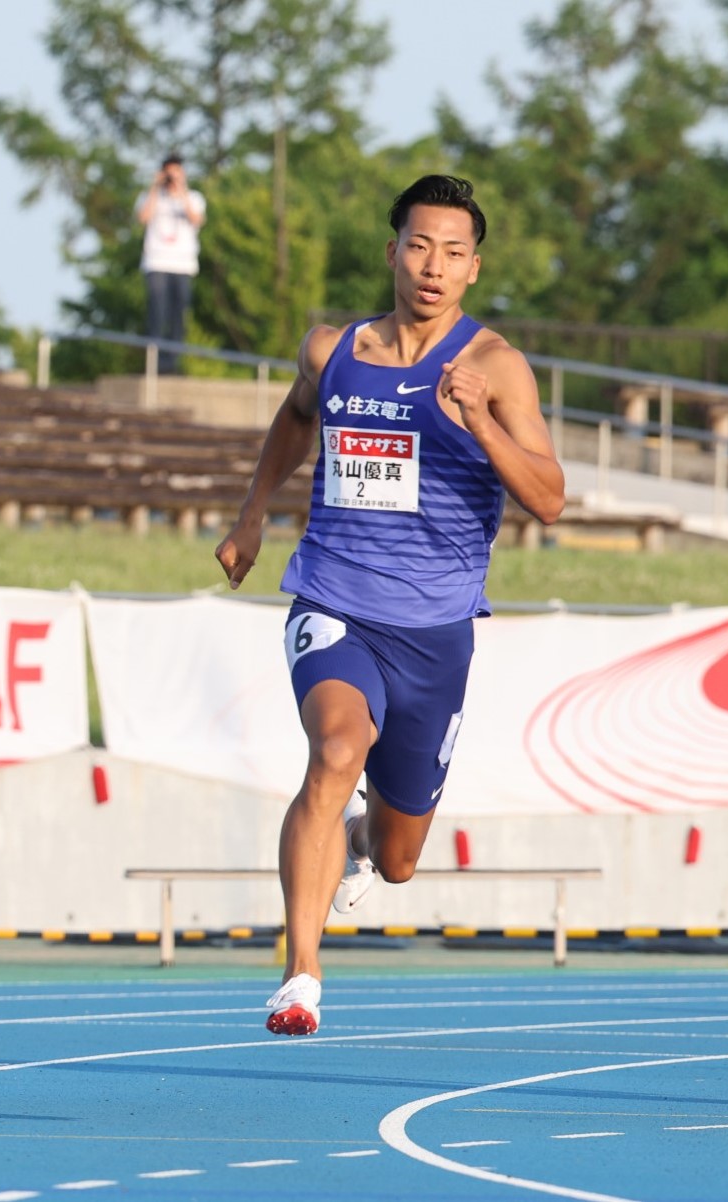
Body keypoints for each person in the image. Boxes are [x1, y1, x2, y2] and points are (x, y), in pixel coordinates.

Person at [214, 175, 565, 1036]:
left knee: (403, 858)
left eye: (452, 253)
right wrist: (253, 512)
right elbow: (299, 417)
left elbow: (550, 498)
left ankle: (366, 842)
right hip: (334, 598)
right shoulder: (334, 350)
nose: (432, 267)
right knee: (333, 753)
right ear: (392, 253)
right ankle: (300, 976)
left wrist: (481, 422)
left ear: (473, 269)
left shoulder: (496, 367)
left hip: (436, 632)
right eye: (418, 246)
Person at [134, 153, 206, 375]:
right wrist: (156, 187)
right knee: (157, 313)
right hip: (157, 262)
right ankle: (153, 363)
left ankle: (173, 363)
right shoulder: (151, 196)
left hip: (183, 265)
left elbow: (196, 219)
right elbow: (143, 217)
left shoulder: (193, 197)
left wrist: (181, 189)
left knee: (178, 316)